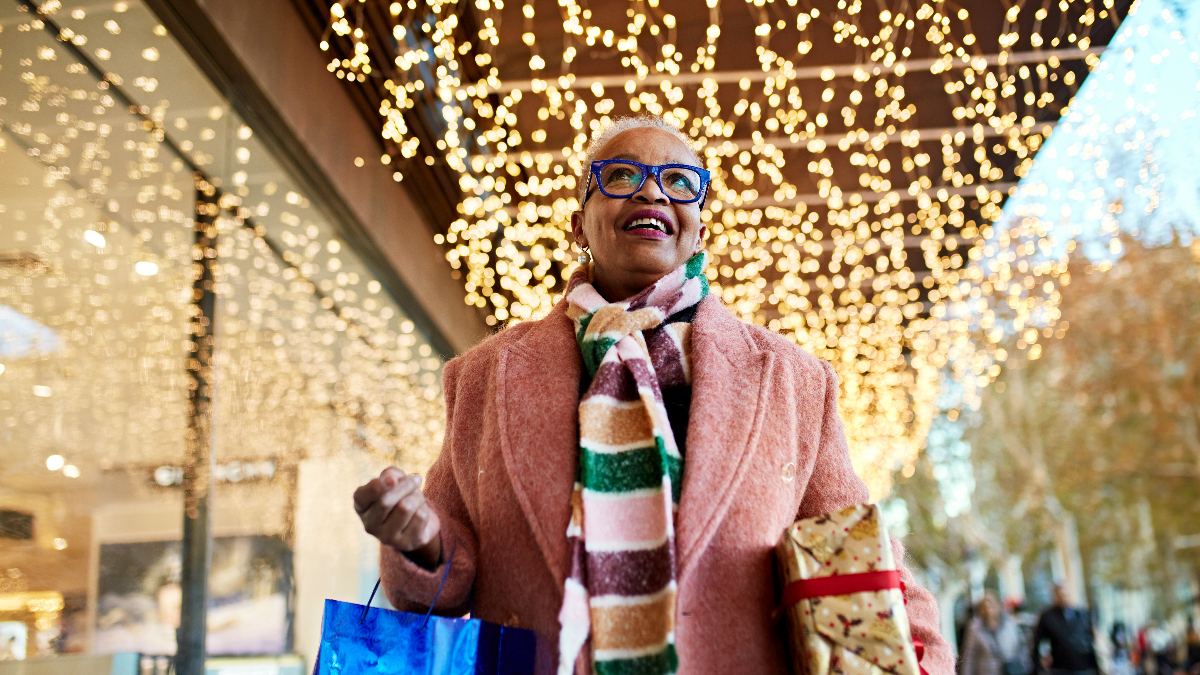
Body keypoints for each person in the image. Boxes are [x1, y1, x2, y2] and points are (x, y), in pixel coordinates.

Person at [352, 115, 953, 675]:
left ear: (698, 226)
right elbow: (449, 575)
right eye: (621, 176)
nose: (653, 193)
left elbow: (857, 555)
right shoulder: (484, 378)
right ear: (578, 223)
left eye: (679, 182)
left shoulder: (792, 380)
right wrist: (417, 537)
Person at [1031, 585, 1098, 675]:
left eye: (1065, 594)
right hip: (1061, 669)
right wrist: (1038, 667)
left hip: (1084, 667)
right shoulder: (1048, 617)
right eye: (1060, 595)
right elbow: (1037, 643)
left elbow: (1090, 640)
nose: (1063, 597)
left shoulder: (1082, 615)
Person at [962, 592, 1031, 675]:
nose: (988, 610)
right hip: (987, 671)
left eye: (991, 606)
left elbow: (1021, 647)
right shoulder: (975, 628)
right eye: (985, 607)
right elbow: (969, 656)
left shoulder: (1010, 623)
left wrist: (1025, 666)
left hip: (1011, 669)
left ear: (998, 606)